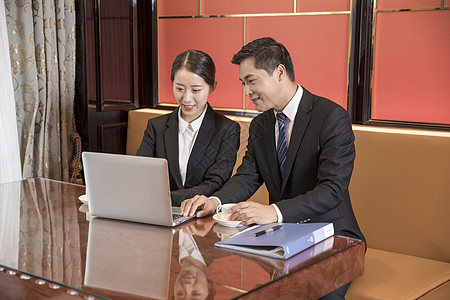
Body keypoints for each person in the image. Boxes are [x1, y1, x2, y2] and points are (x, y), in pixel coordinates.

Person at [180, 38, 365, 299]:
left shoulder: (331, 117)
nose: (247, 91)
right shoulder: (261, 125)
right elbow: (247, 176)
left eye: (251, 80)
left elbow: (332, 190)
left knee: (316, 293)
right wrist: (214, 200)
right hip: (281, 236)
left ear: (279, 72)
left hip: (333, 236)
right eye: (243, 83)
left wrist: (274, 212)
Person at [137, 50, 240, 206]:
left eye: (196, 90)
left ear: (212, 87)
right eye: (179, 88)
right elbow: (141, 173)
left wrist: (168, 198)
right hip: (157, 211)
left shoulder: (227, 129)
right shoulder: (156, 127)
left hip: (202, 216)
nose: (186, 98)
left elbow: (215, 182)